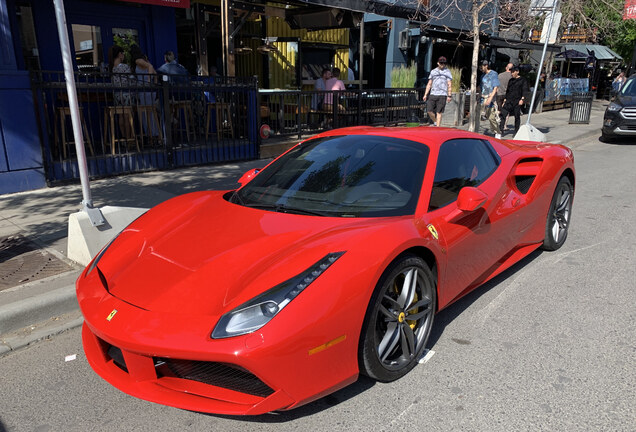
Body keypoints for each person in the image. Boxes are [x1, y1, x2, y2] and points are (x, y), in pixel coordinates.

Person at [108, 45, 134, 140]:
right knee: (127, 116)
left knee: (121, 116)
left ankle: (124, 138)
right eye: (123, 53)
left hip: (117, 94)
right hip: (126, 94)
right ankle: (129, 138)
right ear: (120, 54)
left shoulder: (112, 67)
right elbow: (130, 80)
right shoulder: (124, 67)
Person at [500, 66, 530, 136]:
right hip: (509, 100)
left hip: (517, 100)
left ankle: (516, 131)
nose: (512, 73)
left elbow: (525, 90)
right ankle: (501, 130)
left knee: (517, 116)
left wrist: (522, 99)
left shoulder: (523, 80)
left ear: (517, 72)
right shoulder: (511, 80)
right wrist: (505, 100)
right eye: (511, 72)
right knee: (503, 114)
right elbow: (508, 90)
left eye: (513, 72)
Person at [423, 56, 453, 126]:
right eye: (441, 63)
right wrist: (425, 94)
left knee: (439, 112)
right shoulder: (433, 71)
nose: (442, 64)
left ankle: (438, 127)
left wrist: (449, 95)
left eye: (444, 63)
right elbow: (429, 83)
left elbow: (449, 84)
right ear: (438, 63)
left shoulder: (447, 72)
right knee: (429, 111)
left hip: (442, 94)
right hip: (433, 93)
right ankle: (435, 121)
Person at [480, 60, 502, 138]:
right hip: (483, 97)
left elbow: (496, 87)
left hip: (490, 98)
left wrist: (490, 98)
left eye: (482, 66)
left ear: (486, 65)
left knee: (491, 117)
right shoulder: (482, 76)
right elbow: (481, 86)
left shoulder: (493, 74)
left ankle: (497, 131)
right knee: (481, 115)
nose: (481, 68)